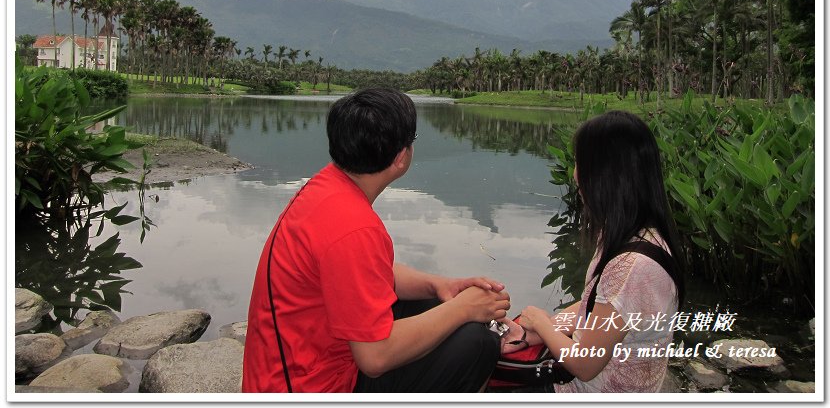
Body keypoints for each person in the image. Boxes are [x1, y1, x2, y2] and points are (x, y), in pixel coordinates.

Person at [243, 87, 511, 393]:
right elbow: (374, 357)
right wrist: (464, 309)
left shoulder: (324, 189)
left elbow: (365, 275)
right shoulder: (354, 228)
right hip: (312, 387)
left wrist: (440, 285)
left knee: (435, 302)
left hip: (284, 370)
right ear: (401, 157)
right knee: (476, 343)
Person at [500, 110, 685, 392]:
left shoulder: (634, 267)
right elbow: (595, 307)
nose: (575, 175)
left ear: (604, 175)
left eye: (579, 162)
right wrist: (533, 333)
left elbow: (585, 365)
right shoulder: (637, 234)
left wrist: (541, 322)